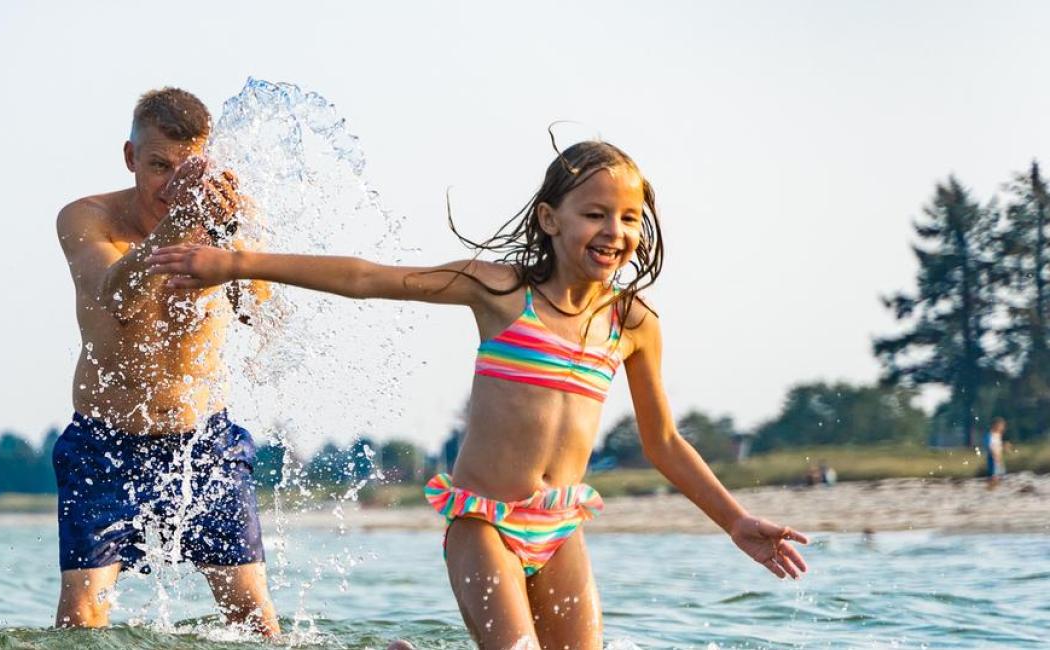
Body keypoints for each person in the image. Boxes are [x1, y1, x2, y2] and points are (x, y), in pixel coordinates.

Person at [148, 140, 810, 649]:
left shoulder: (632, 323)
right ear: (551, 219)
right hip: (483, 522)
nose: (615, 231)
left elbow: (662, 442)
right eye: (596, 214)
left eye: (629, 218)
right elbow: (370, 278)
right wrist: (235, 263)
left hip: (560, 528)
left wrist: (735, 521)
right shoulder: (501, 293)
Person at [52, 87, 278, 635]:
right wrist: (178, 232)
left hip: (206, 443)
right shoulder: (86, 218)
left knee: (254, 619)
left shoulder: (231, 218)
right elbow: (115, 295)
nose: (173, 186)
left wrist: (229, 240)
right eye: (158, 166)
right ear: (131, 158)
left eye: (188, 170)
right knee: (82, 620)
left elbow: (259, 313)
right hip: (105, 444)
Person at [985, 417, 1007, 488]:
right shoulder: (990, 435)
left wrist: (1004, 447)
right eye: (1001, 426)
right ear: (995, 425)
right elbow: (989, 446)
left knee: (1001, 473)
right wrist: (994, 454)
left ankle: (996, 486)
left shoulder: (998, 435)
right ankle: (990, 486)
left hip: (998, 457)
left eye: (1003, 426)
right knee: (994, 474)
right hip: (992, 457)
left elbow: (998, 445)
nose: (1002, 428)